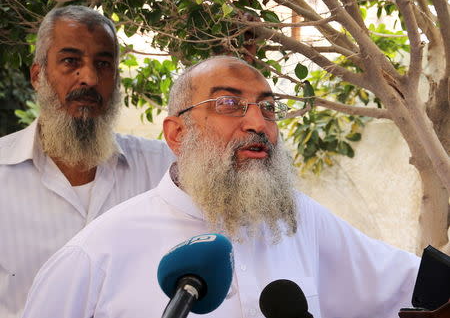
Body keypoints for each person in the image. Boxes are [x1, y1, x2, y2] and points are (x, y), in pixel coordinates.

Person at [21, 56, 419, 318]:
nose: (258, 124)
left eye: (268, 107)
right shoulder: (95, 255)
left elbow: (410, 284)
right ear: (177, 135)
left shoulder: (299, 220)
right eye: (228, 105)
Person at [0, 6, 174, 318]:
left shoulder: (163, 169)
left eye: (103, 64)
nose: (90, 79)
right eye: (70, 62)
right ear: (38, 76)